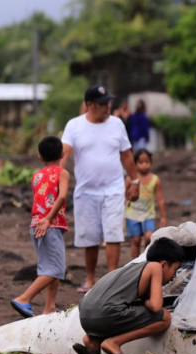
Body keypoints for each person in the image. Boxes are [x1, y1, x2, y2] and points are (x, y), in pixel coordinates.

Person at [60, 85, 140, 293]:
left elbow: (126, 155)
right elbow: (64, 153)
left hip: (113, 188)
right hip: (86, 191)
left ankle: (112, 278)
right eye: (103, 104)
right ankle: (90, 279)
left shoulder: (117, 124)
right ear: (89, 105)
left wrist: (135, 181)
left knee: (113, 233)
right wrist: (54, 177)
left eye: (108, 103)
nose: (107, 107)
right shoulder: (74, 125)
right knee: (90, 236)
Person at [72, 237, 184, 354]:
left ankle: (93, 342)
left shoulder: (132, 269)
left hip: (85, 316)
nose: (174, 276)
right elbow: (156, 306)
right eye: (175, 270)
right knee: (165, 317)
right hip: (105, 313)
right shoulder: (155, 267)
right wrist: (147, 301)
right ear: (163, 264)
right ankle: (113, 343)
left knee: (122, 311)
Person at [11, 136, 70, 318]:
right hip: (48, 224)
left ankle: (50, 307)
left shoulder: (37, 176)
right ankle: (24, 298)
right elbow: (61, 197)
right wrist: (49, 219)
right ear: (62, 154)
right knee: (56, 269)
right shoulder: (62, 173)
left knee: (49, 267)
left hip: (36, 224)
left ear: (39, 156)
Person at [125, 149, 167, 259]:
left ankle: (145, 258)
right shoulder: (130, 179)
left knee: (149, 236)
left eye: (147, 162)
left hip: (148, 214)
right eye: (141, 162)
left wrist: (163, 217)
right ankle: (135, 262)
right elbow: (125, 196)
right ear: (135, 164)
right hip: (132, 214)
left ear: (151, 163)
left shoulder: (155, 180)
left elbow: (160, 199)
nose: (144, 165)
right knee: (136, 239)